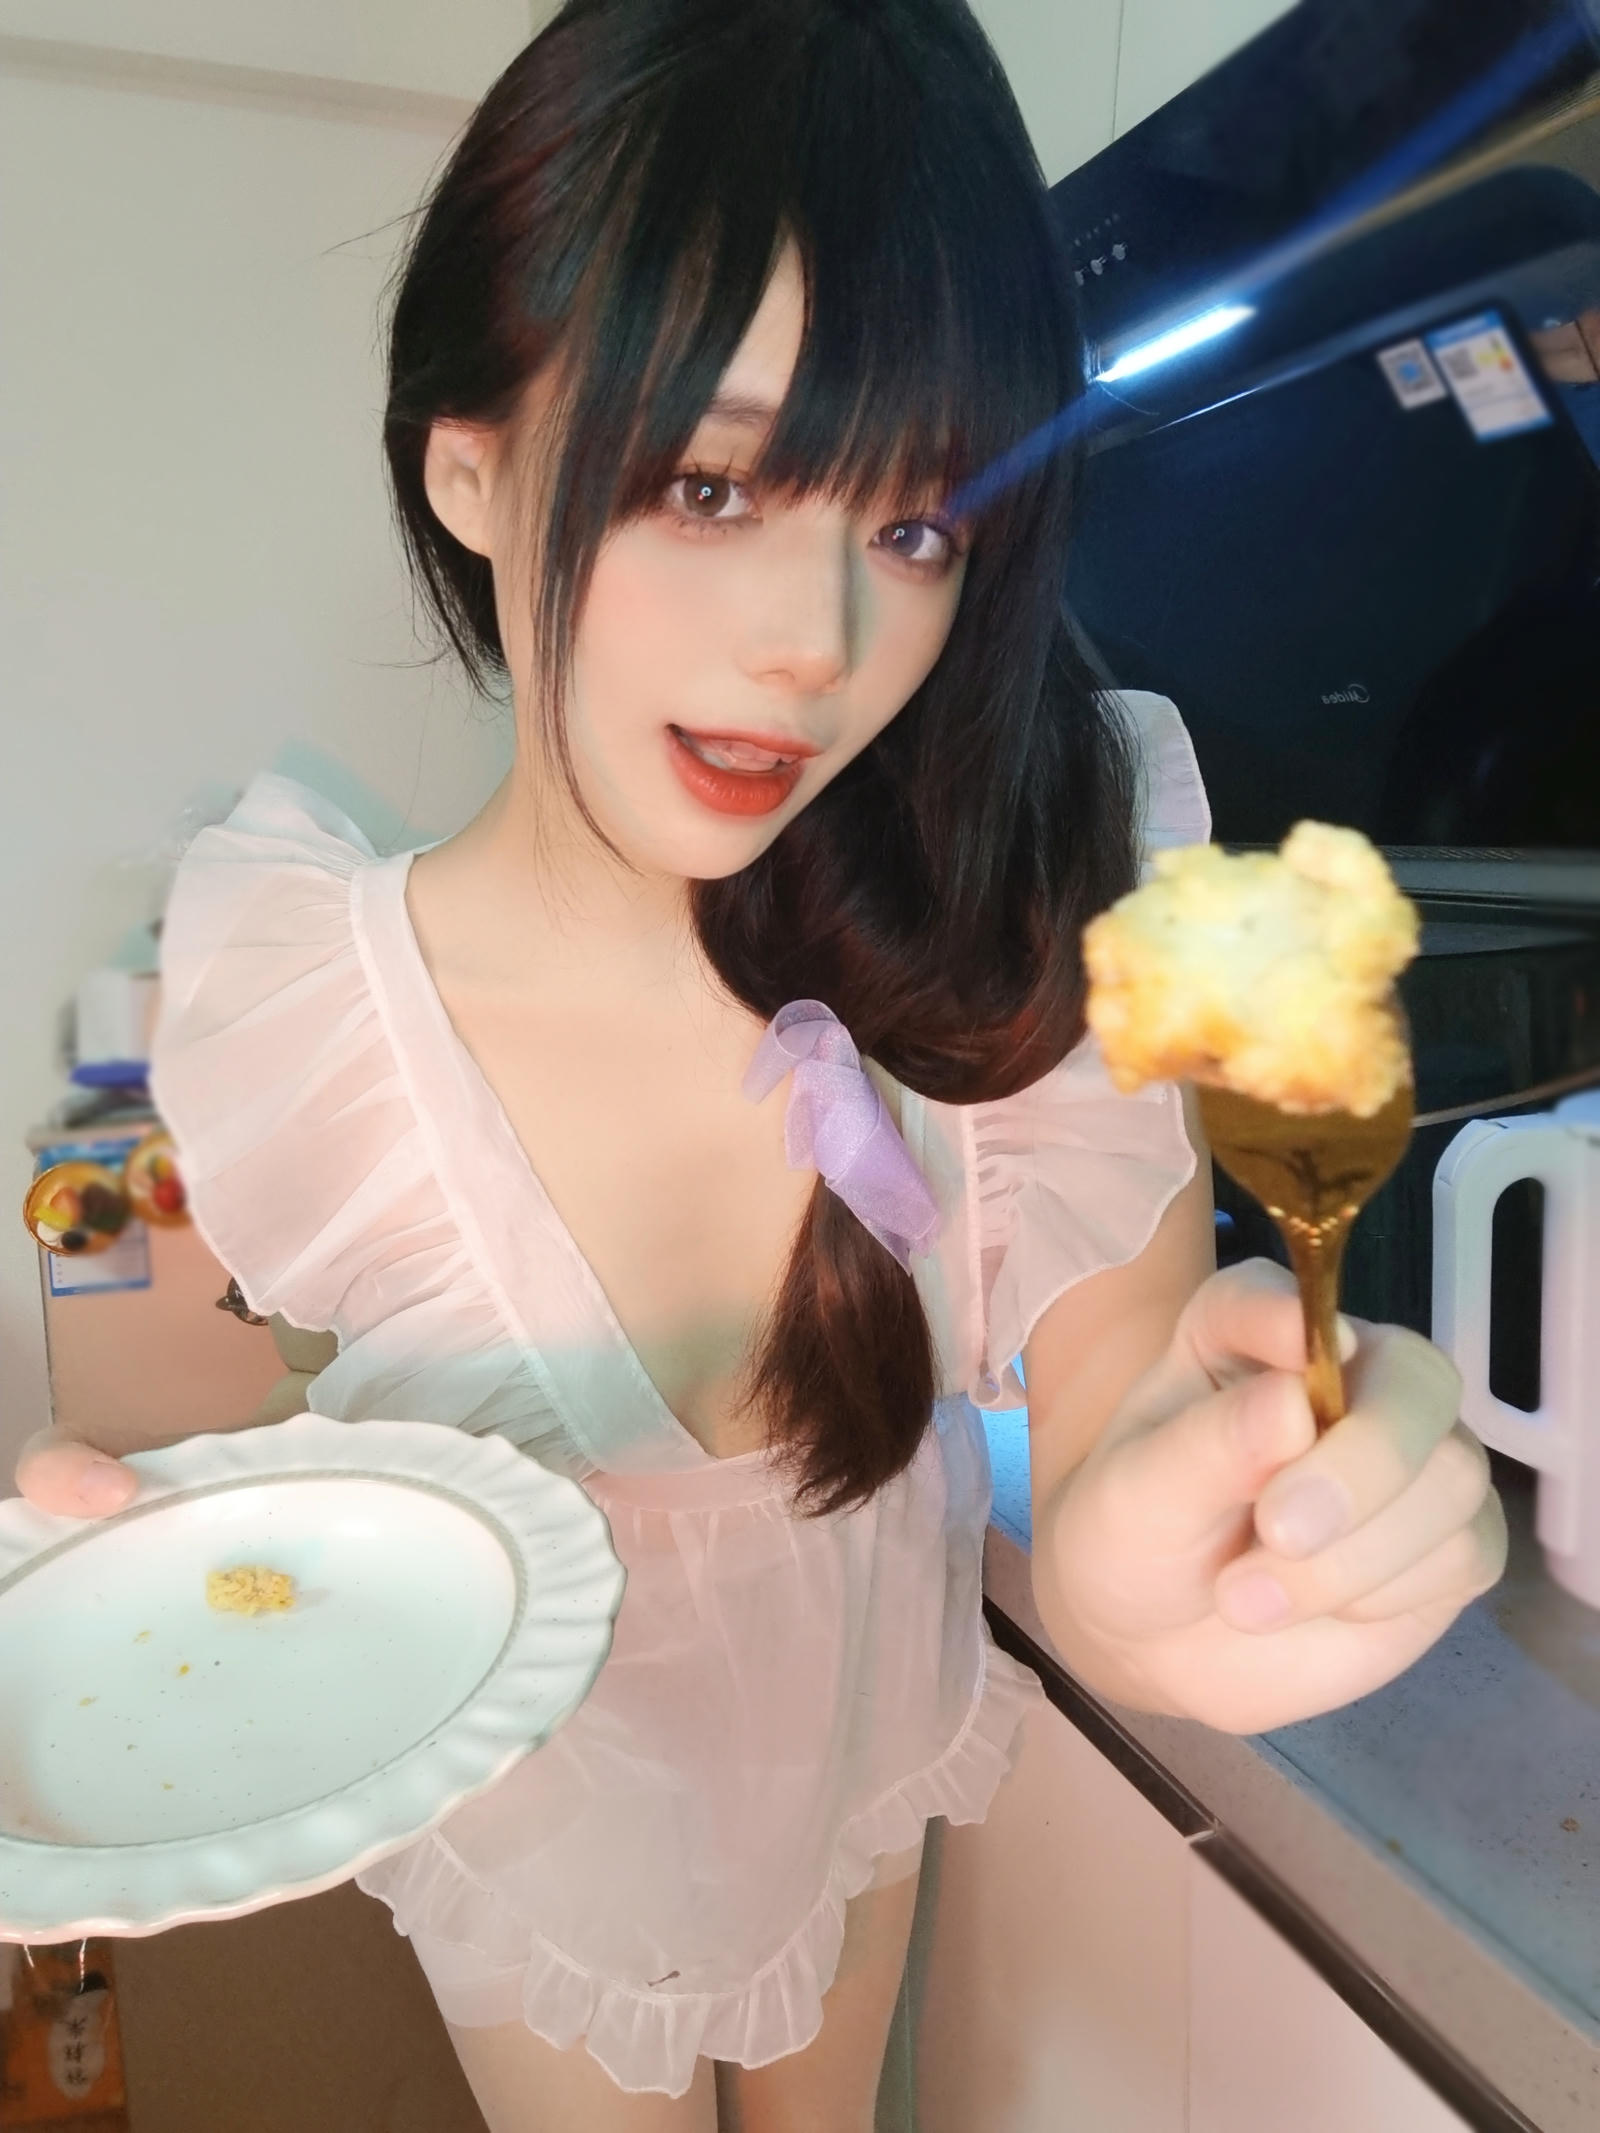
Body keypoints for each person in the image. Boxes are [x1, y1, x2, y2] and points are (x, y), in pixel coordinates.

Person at [14, 2, 1506, 2127]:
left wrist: (1194, 1558)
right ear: (469, 461)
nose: (818, 639)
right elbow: (145, 1425)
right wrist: (89, 1534)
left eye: (915, 526)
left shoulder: (1015, 909)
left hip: (865, 1739)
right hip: (547, 1820)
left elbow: (1125, 1420)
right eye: (710, 481)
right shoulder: (238, 987)